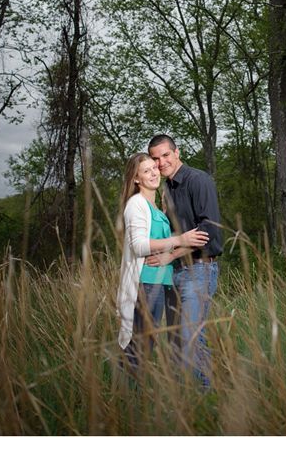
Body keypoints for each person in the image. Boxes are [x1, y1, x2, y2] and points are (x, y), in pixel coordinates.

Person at [145, 134, 223, 389]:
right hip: (174, 273)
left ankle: (207, 395)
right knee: (177, 341)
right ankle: (189, 402)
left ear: (177, 152)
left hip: (199, 269)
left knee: (191, 337)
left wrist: (171, 253)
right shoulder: (165, 188)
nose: (161, 162)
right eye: (155, 158)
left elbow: (208, 231)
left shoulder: (198, 180)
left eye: (165, 155)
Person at [117, 153, 208, 366]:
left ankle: (129, 393)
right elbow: (138, 245)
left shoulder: (155, 206)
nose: (153, 173)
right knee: (141, 345)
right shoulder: (137, 203)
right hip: (147, 281)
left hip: (159, 281)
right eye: (146, 171)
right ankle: (126, 394)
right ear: (136, 179)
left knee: (145, 343)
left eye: (154, 168)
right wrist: (180, 239)